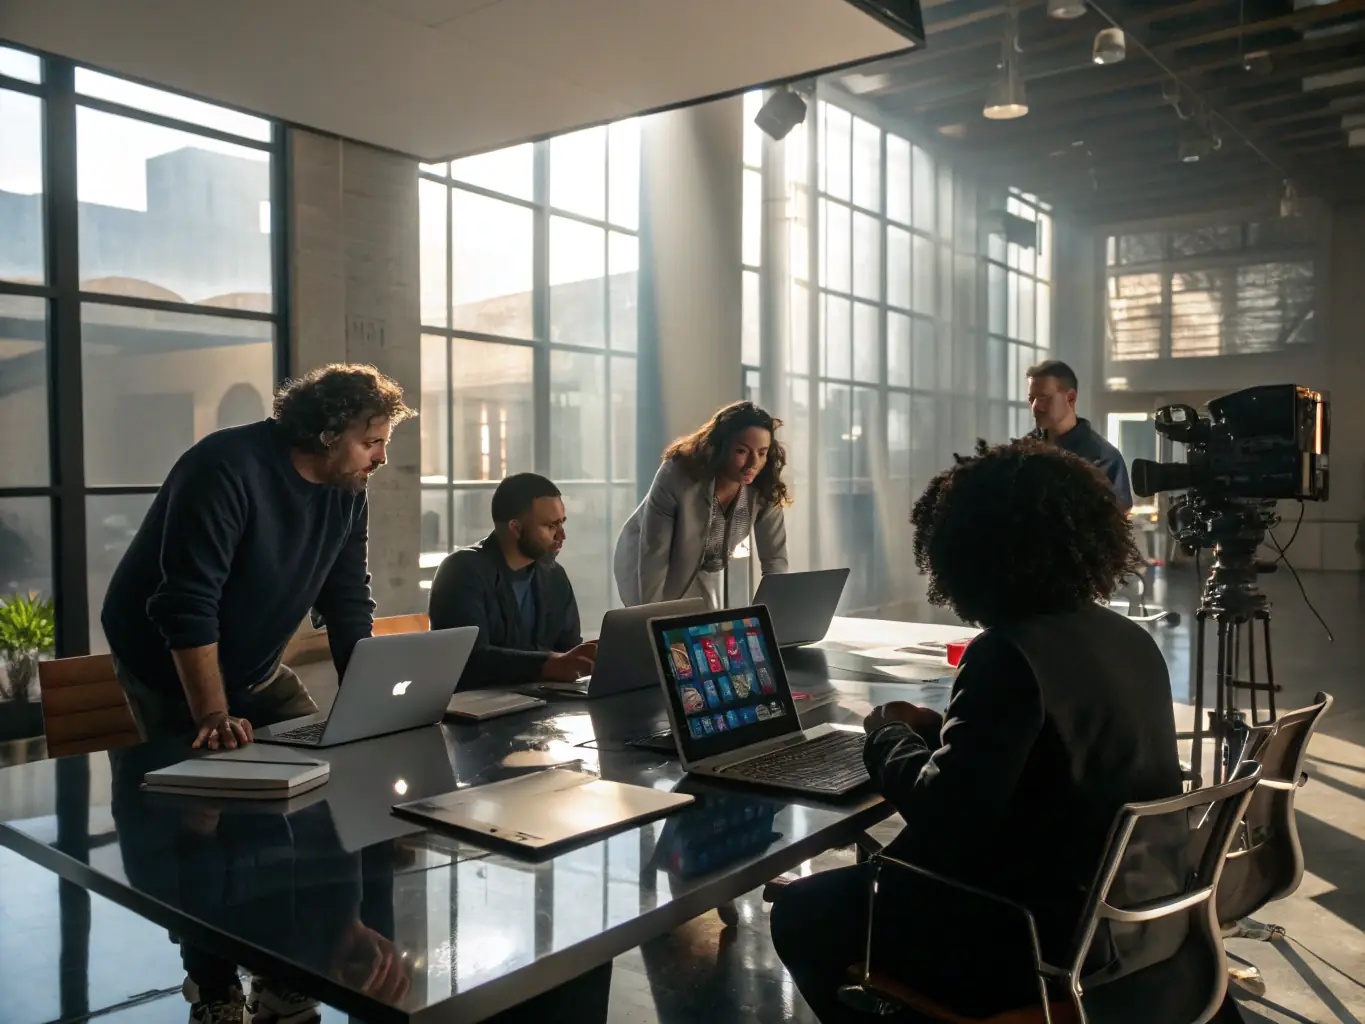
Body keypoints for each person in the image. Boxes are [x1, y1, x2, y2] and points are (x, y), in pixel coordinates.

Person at [769, 440, 1185, 1022]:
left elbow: (945, 817)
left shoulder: (1008, 652)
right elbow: (1053, 759)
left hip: (1027, 938)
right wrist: (943, 734)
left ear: (967, 551)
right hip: (1126, 922)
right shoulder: (1130, 641)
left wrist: (885, 733)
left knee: (803, 912)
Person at [101, 363, 413, 1024]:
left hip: (254, 664)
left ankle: (290, 961)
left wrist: (367, 705)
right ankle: (211, 984)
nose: (381, 459)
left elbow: (347, 597)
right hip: (167, 662)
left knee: (331, 787)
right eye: (372, 442)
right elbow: (186, 603)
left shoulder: (345, 489)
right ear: (327, 432)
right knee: (194, 818)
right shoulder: (225, 467)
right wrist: (211, 714)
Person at [614, 401, 790, 609]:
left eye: (762, 453)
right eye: (742, 451)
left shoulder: (764, 484)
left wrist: (776, 617)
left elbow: (775, 560)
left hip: (700, 567)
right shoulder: (679, 475)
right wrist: (651, 622)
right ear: (721, 446)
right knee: (659, 628)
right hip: (643, 561)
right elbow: (654, 556)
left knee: (705, 631)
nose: (753, 463)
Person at [427, 473, 597, 689]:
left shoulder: (554, 576)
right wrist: (549, 664)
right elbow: (468, 659)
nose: (562, 536)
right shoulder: (461, 571)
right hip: (478, 708)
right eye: (550, 526)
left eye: (562, 523)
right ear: (515, 528)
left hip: (544, 704)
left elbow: (568, 649)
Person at [1027, 359, 1134, 511]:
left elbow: (1117, 525)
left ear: (1070, 398)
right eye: (1031, 399)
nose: (1035, 407)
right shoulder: (1022, 452)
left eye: (1044, 398)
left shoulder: (1105, 460)